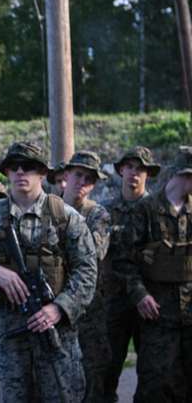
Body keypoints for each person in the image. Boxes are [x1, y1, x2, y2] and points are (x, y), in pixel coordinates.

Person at [0, 141, 97, 403]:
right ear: (7, 172)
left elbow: (87, 271)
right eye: (15, 166)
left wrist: (59, 308)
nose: (21, 172)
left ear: (43, 173)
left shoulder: (65, 217)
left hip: (56, 336)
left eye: (29, 167)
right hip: (7, 337)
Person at [116, 146, 192, 402]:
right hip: (158, 315)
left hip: (190, 316)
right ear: (184, 176)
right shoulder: (146, 210)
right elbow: (125, 260)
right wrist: (139, 295)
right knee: (155, 385)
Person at [102, 146, 160, 402]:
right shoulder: (105, 210)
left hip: (149, 302)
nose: (134, 174)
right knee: (107, 370)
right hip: (113, 302)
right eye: (129, 167)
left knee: (151, 374)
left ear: (148, 174)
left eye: (140, 169)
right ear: (121, 171)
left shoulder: (158, 211)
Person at [61, 151, 111, 403]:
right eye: (78, 174)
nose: (82, 182)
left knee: (92, 379)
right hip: (52, 305)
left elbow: (92, 254)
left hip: (88, 310)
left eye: (89, 179)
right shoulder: (46, 208)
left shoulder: (97, 215)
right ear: (66, 175)